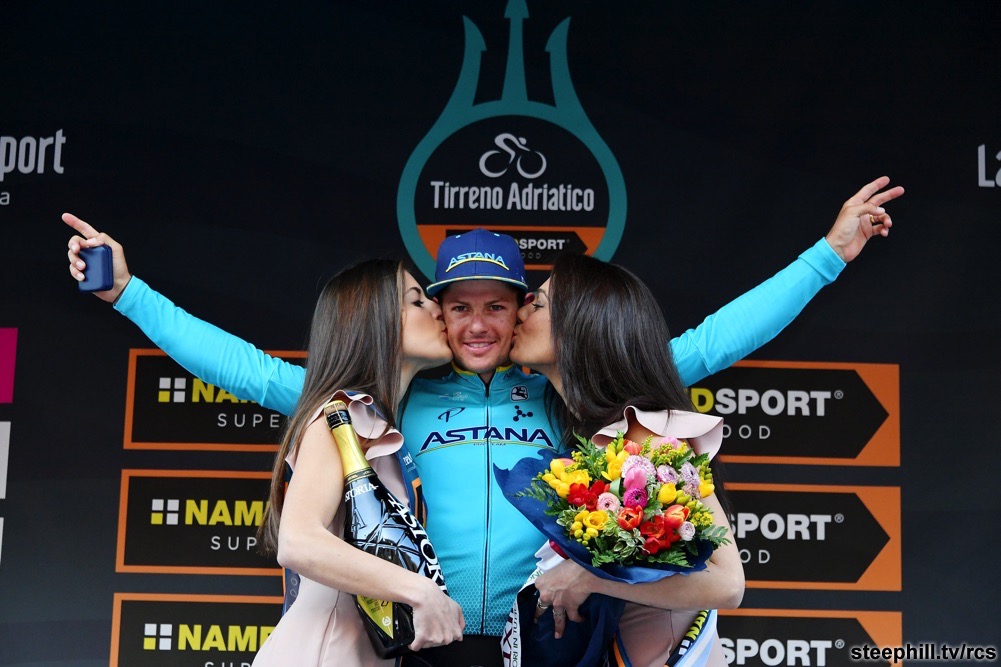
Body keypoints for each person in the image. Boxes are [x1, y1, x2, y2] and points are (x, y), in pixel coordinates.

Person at [62, 175, 903, 666]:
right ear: (434, 310)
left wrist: (826, 256)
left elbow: (714, 340)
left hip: (550, 642)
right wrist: (127, 293)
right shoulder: (385, 401)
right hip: (423, 643)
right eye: (455, 304)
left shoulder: (574, 395)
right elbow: (245, 369)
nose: (474, 323)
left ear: (519, 311)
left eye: (496, 305)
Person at [507, 252, 744, 666]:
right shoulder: (586, 436)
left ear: (580, 327)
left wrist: (589, 578)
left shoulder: (648, 437)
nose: (521, 310)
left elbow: (728, 584)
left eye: (538, 304)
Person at [249, 258, 464, 665]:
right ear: (376, 321)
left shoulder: (376, 421)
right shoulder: (341, 415)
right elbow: (298, 541)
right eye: (417, 300)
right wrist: (420, 591)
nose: (438, 309)